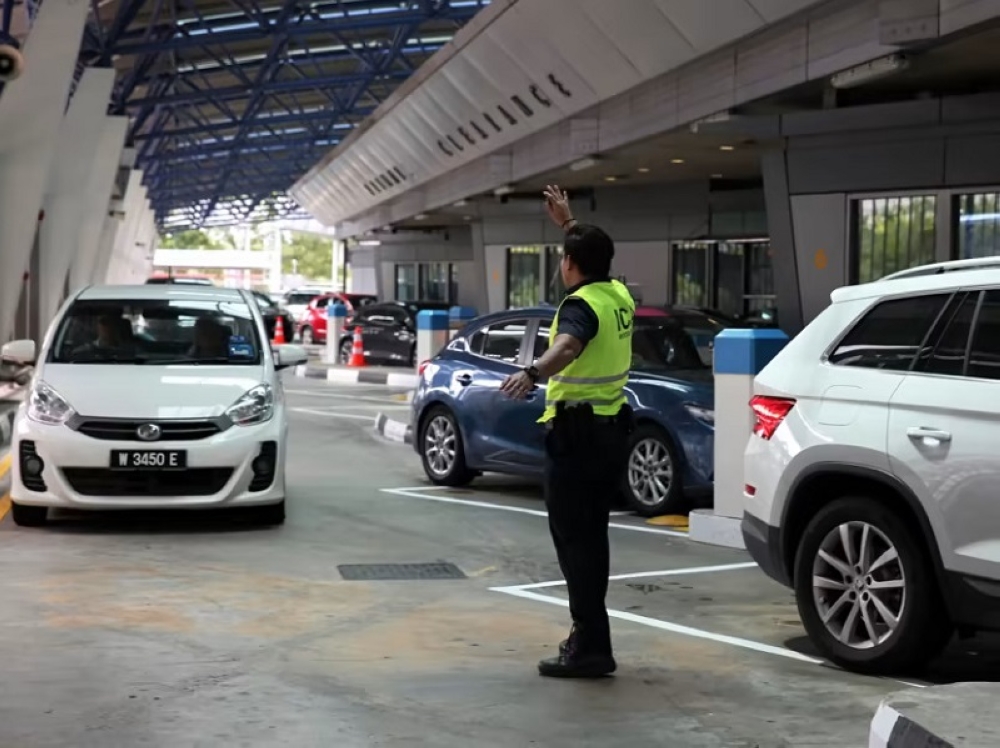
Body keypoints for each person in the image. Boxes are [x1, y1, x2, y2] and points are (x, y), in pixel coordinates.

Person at [499, 185, 635, 679]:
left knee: (576, 544)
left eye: (564, 256)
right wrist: (569, 223)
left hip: (577, 441)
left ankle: (589, 646)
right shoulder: (618, 295)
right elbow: (591, 252)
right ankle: (593, 640)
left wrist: (532, 371)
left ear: (571, 264)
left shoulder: (581, 305)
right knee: (591, 539)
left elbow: (569, 346)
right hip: (609, 434)